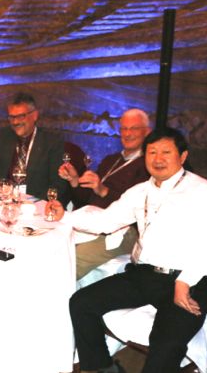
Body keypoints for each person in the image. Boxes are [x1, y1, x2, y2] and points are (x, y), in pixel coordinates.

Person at [46, 127, 207, 373]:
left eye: (166, 152)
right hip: (144, 275)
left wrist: (184, 282)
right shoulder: (140, 191)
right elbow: (106, 220)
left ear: (183, 156)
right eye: (152, 152)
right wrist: (66, 216)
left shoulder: (203, 191)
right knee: (81, 303)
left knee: (166, 344)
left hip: (188, 280)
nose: (158, 158)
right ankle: (106, 368)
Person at [59, 108, 151, 279]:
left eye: (134, 128)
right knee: (54, 246)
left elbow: (136, 209)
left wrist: (103, 191)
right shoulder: (111, 160)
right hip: (93, 221)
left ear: (147, 132)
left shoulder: (148, 166)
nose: (127, 134)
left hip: (124, 231)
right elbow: (87, 200)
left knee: (70, 260)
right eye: (124, 128)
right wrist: (74, 180)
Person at [0, 92, 68, 203]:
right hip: (5, 200)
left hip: (34, 204)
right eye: (11, 117)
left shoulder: (51, 142)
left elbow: (59, 185)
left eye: (20, 116)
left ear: (35, 115)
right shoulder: (6, 135)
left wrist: (37, 202)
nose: (15, 122)